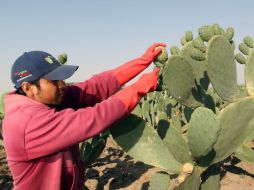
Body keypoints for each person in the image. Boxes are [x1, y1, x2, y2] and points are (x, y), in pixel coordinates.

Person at [2, 43, 166, 190]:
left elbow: (96, 86)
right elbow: (93, 118)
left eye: (61, 79)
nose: (62, 85)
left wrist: (143, 61)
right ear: (28, 87)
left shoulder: (49, 100)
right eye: (54, 81)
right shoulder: (26, 123)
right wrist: (139, 88)